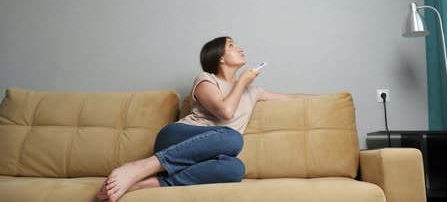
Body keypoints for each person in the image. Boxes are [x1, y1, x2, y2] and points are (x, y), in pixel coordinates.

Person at [96, 36, 311, 202]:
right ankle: (141, 166)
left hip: (207, 154)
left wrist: (334, 97)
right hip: (176, 139)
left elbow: (291, 97)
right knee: (233, 139)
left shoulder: (252, 92)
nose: (240, 48)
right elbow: (225, 112)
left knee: (235, 169)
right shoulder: (206, 80)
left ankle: (146, 183)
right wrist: (242, 81)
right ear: (220, 57)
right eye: (231, 45)